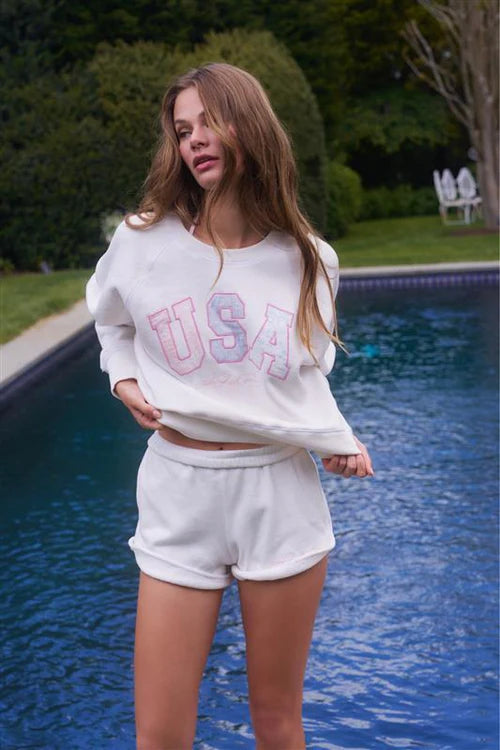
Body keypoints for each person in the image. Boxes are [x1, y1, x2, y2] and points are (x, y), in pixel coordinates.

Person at [86, 61, 374, 750]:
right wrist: (123, 380)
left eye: (209, 121)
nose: (194, 139)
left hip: (279, 493)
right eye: (182, 129)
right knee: (159, 736)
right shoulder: (143, 241)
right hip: (178, 491)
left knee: (276, 722)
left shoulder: (310, 260)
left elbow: (299, 379)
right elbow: (111, 325)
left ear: (251, 126)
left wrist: (334, 436)